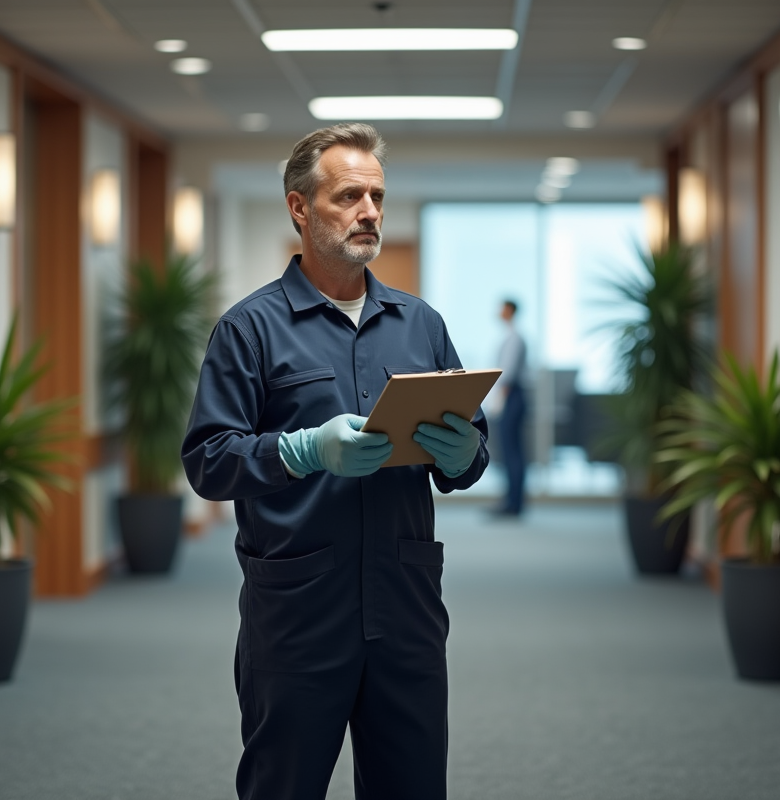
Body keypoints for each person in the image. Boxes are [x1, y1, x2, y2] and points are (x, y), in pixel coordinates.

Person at [180, 123, 489, 800]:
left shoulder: (421, 324)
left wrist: (467, 453)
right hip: (297, 616)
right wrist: (301, 450)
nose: (370, 211)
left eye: (377, 196)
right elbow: (208, 461)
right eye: (349, 196)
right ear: (299, 207)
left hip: (405, 611)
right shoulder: (249, 329)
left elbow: (470, 451)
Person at [492, 299, 528, 517]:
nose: (499, 312)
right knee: (510, 451)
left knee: (512, 451)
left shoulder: (515, 338)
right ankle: (511, 500)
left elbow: (509, 375)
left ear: (510, 311)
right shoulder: (510, 336)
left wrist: (498, 403)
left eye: (502, 308)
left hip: (513, 396)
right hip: (512, 395)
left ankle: (514, 503)